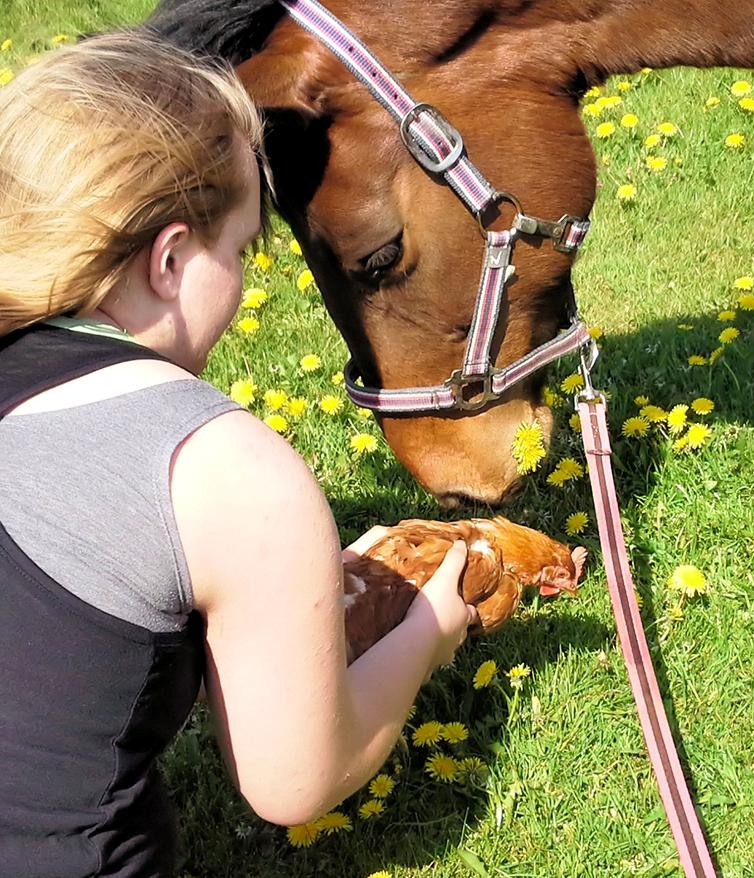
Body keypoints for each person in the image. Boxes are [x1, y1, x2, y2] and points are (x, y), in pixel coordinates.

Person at [0, 31, 477, 878]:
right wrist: (431, 629)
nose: (247, 281)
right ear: (172, 258)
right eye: (243, 249)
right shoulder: (220, 469)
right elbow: (297, 783)